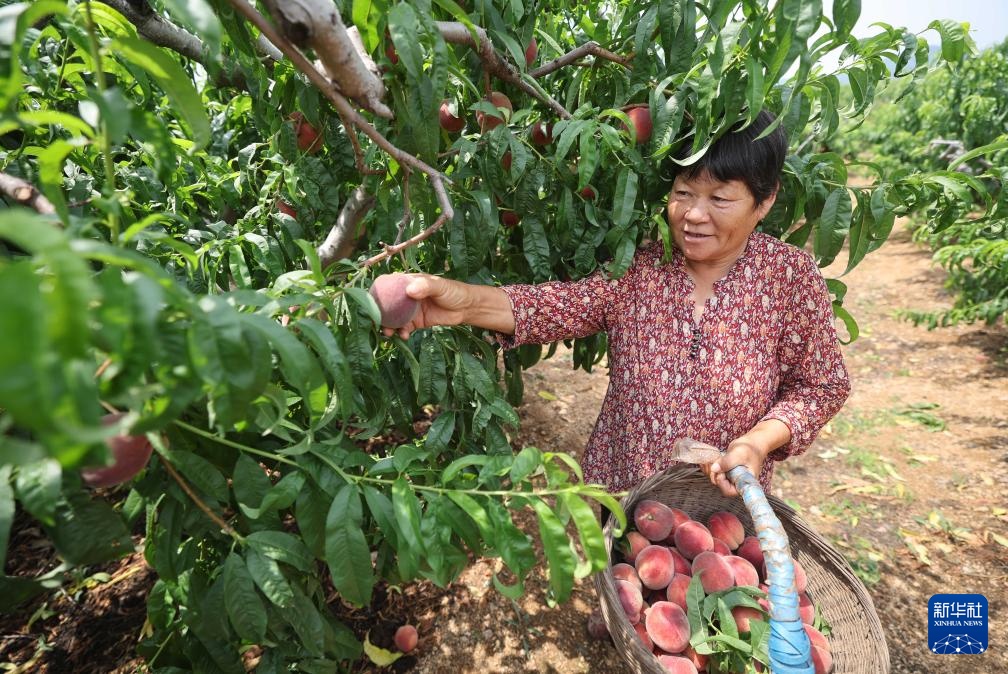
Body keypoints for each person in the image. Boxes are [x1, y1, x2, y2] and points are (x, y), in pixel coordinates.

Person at [381, 110, 851, 498]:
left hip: (722, 502)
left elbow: (822, 385)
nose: (693, 215)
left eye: (720, 199)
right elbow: (556, 306)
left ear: (764, 202)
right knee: (621, 593)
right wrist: (461, 304)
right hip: (623, 487)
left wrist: (756, 441)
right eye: (683, 192)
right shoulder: (644, 265)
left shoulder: (788, 278)